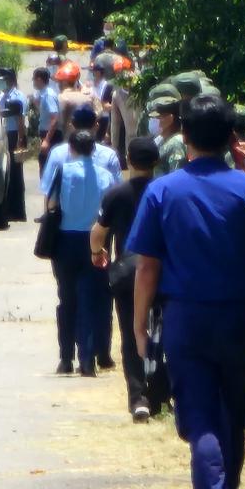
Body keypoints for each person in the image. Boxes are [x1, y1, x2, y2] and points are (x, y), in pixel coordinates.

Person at [128, 95, 245, 489]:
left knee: (199, 420)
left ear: (184, 136)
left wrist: (139, 326)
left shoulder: (163, 190)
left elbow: (147, 267)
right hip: (239, 315)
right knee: (233, 414)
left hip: (187, 317)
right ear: (233, 138)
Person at [90, 138, 164, 421]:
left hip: (128, 272)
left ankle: (138, 398)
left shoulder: (115, 194)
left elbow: (98, 233)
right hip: (163, 270)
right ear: (156, 161)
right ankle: (160, 393)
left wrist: (97, 253)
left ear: (128, 160)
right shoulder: (165, 190)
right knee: (162, 331)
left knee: (132, 332)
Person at [49, 129, 115, 376]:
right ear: (93, 150)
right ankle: (87, 359)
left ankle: (65, 358)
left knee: (67, 299)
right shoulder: (107, 176)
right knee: (90, 299)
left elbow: (51, 204)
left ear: (72, 149)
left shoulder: (63, 171)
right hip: (95, 241)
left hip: (66, 241)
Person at [0, 67, 27, 222]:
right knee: (8, 173)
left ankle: (18, 211)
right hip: (6, 135)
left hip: (15, 135)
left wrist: (20, 141)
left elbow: (20, 120)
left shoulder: (17, 96)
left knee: (16, 175)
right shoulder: (4, 95)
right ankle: (9, 207)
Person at [145, 84, 188, 176]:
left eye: (158, 117)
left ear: (170, 118)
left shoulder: (176, 143)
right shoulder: (161, 140)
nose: (154, 120)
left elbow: (176, 176)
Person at [37, 66, 62, 180]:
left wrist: (47, 140)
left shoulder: (48, 95)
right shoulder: (44, 94)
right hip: (46, 133)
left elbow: (54, 118)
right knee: (44, 165)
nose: (33, 82)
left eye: (34, 79)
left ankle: (49, 195)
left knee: (47, 167)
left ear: (39, 80)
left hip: (50, 135)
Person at [110, 70, 139, 170]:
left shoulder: (143, 91)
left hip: (147, 138)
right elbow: (115, 124)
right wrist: (114, 149)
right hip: (131, 141)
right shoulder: (117, 95)